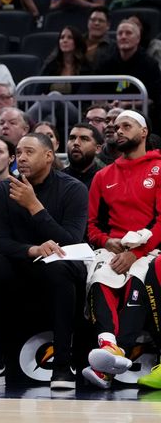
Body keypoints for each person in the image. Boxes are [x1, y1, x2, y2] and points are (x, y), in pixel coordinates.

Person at [0, 134, 88, 390]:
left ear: (49, 156)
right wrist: (33, 250)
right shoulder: (3, 189)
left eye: (29, 152)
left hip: (61, 266)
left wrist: (34, 206)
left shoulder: (73, 189)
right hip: (22, 263)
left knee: (59, 267)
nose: (21, 158)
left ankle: (63, 364)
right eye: (18, 152)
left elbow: (70, 241)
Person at [82, 110, 161, 389]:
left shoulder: (159, 167)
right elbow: (91, 226)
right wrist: (106, 242)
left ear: (143, 133)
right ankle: (109, 346)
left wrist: (135, 254)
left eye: (126, 126)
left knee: (138, 280)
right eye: (116, 127)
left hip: (149, 249)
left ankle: (108, 366)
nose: (118, 130)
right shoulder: (103, 176)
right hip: (113, 247)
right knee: (99, 277)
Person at [63, 123, 103, 188]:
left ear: (97, 149)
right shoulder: (56, 180)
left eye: (84, 139)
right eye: (72, 138)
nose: (76, 143)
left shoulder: (106, 179)